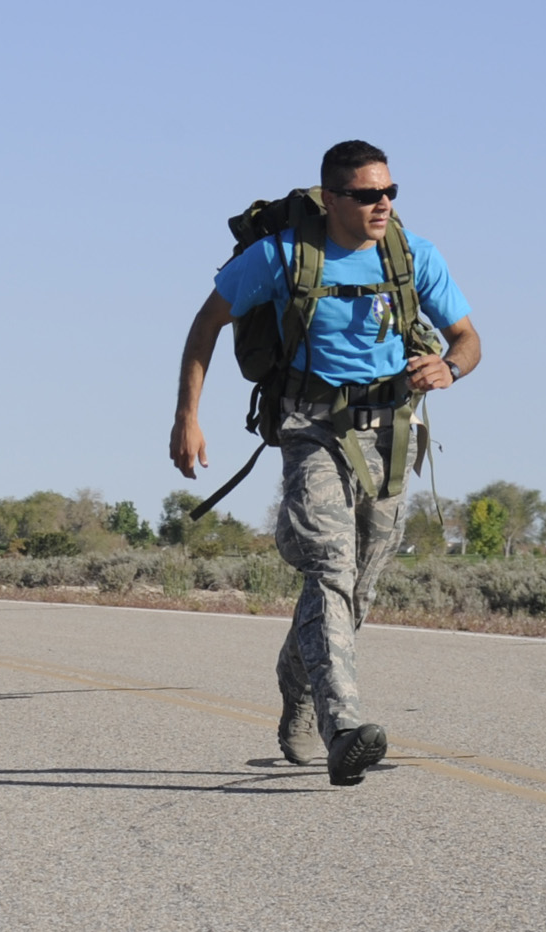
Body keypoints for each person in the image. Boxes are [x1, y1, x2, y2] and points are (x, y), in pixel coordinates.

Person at [169, 140, 482, 786]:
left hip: (390, 433)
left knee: (355, 588)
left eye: (390, 192)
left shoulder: (411, 255)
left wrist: (446, 368)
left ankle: (298, 685)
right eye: (368, 195)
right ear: (332, 198)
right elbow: (205, 324)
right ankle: (343, 729)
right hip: (310, 427)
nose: (383, 205)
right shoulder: (282, 255)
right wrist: (186, 417)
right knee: (330, 566)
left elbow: (468, 339)